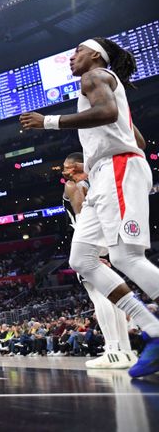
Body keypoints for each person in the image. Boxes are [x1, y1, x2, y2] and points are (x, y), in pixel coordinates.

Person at [20, 37, 159, 378]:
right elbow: (135, 137)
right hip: (105, 174)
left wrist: (48, 122)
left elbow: (109, 114)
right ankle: (152, 330)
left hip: (118, 169)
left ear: (96, 55)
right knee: (81, 259)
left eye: (78, 51)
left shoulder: (95, 76)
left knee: (126, 257)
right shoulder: (102, 83)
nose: (72, 57)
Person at [62, 152, 135, 369]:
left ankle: (112, 352)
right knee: (114, 297)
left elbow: (83, 216)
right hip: (106, 239)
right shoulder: (101, 184)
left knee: (98, 296)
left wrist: (91, 251)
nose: (65, 171)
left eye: (67, 167)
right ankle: (126, 352)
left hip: (89, 241)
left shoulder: (73, 185)